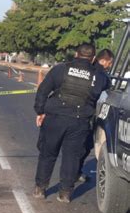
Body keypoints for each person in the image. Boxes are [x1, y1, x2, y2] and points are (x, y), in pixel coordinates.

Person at [33, 43, 108, 203]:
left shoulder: (61, 69)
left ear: (76, 54)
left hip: (54, 118)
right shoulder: (99, 76)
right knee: (71, 158)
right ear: (93, 58)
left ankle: (40, 188)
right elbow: (104, 96)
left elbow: (43, 90)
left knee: (47, 154)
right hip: (79, 122)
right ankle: (65, 193)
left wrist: (40, 111)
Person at [76, 49, 113, 182]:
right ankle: (75, 172)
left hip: (84, 111)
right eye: (110, 62)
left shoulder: (92, 70)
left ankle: (75, 171)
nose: (110, 66)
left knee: (85, 145)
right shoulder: (100, 73)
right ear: (104, 60)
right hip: (89, 112)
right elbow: (100, 93)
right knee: (84, 145)